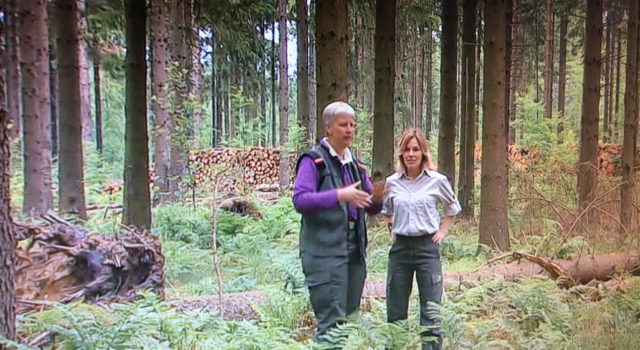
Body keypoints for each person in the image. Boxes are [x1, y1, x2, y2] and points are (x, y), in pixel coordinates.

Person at [293, 101, 381, 340]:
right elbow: (300, 200)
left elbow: (370, 204)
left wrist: (385, 193)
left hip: (354, 252)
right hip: (324, 254)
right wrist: (339, 195)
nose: (349, 129)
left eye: (353, 125)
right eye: (343, 125)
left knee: (348, 321)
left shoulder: (357, 165)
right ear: (328, 128)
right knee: (331, 325)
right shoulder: (313, 162)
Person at [381, 128, 461, 350]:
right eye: (406, 149)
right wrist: (392, 229)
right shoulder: (392, 182)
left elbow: (453, 207)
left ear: (423, 153)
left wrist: (442, 232)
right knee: (396, 313)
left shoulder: (437, 181)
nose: (411, 154)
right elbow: (386, 210)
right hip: (400, 250)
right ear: (401, 154)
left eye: (415, 149)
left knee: (431, 313)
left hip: (428, 248)